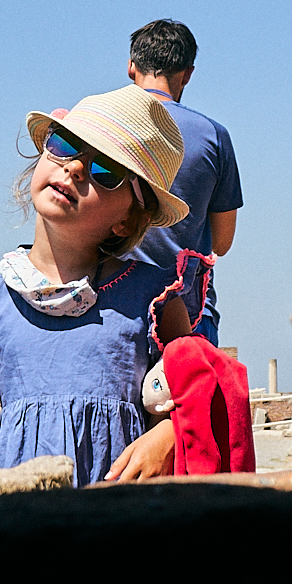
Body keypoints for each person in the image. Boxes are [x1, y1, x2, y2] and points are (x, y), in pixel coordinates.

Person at [0, 86, 197, 486]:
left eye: (105, 170)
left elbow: (186, 406)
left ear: (127, 219)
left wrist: (167, 435)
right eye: (65, 145)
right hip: (16, 519)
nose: (75, 168)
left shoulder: (155, 300)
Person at [124, 19, 243, 346]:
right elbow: (222, 242)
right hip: (189, 309)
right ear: (187, 73)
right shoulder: (214, 136)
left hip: (110, 306)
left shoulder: (99, 124)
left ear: (131, 66)